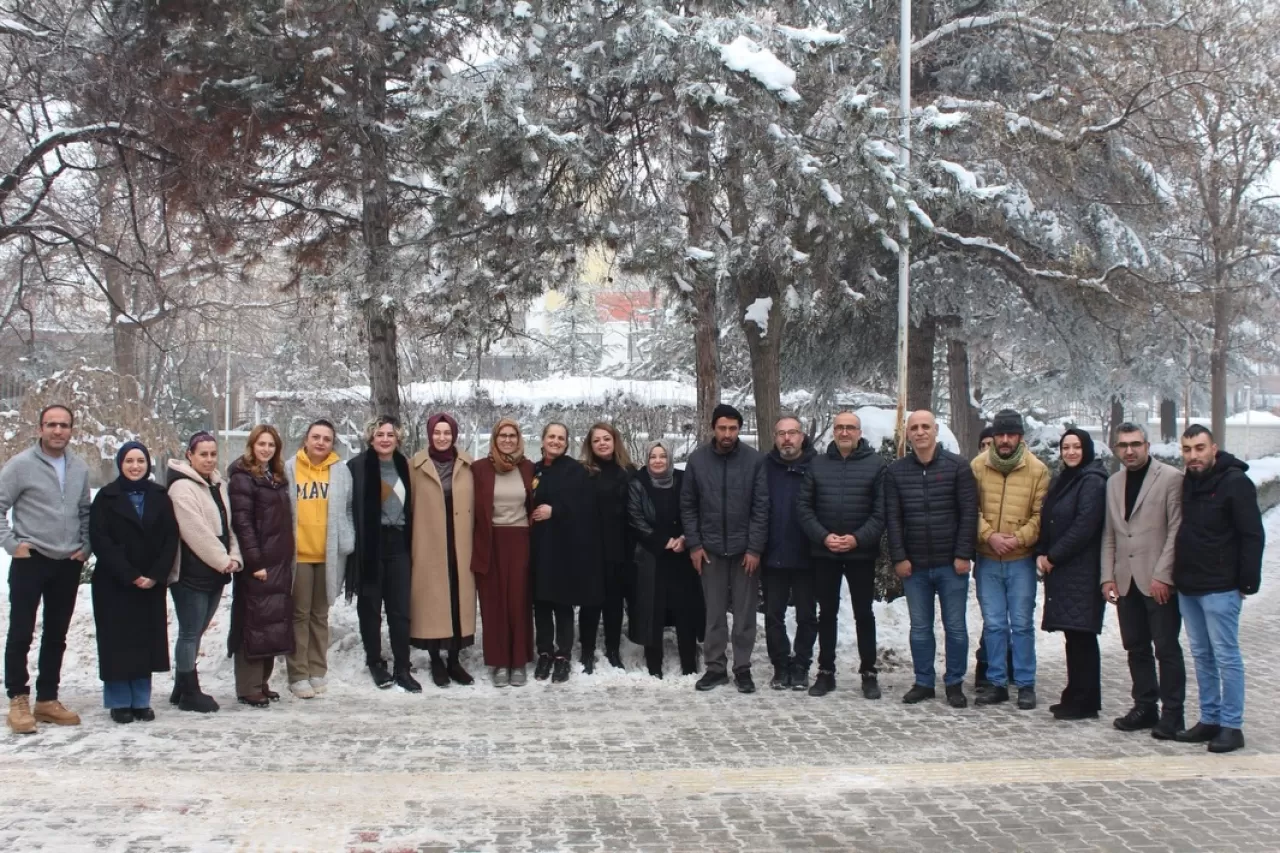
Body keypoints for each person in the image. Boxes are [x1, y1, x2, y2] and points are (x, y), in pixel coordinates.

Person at [1171, 426, 1264, 754]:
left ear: (1214, 449)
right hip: (1189, 586)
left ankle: (1232, 726)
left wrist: (1247, 582)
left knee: (1226, 656)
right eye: (1187, 450)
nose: (1193, 456)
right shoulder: (1189, 481)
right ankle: (1209, 718)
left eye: (1199, 448)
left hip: (1221, 587)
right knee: (1201, 655)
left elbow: (1252, 534)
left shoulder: (1236, 482)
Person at [2, 404, 90, 733]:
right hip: (31, 559)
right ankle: (18, 698)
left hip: (67, 562)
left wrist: (86, 547)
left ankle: (47, 699)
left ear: (71, 430)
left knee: (56, 634)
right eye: (51, 424)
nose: (58, 430)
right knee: (21, 632)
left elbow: (85, 510)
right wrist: (12, 544)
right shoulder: (21, 465)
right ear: (40, 428)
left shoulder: (79, 467)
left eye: (64, 425)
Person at [886, 410, 977, 708]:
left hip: (951, 565)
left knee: (956, 628)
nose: (920, 432)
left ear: (936, 430)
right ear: (907, 433)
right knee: (920, 629)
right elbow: (893, 519)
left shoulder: (958, 467)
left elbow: (968, 514)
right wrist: (899, 557)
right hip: (915, 567)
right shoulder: (896, 472)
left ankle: (954, 683)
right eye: (914, 427)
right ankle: (924, 682)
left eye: (926, 426)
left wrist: (963, 554)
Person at [1102, 422, 1186, 739]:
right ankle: (1145, 706)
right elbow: (1110, 534)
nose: (1129, 450)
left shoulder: (1170, 478)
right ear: (1116, 449)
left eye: (1135, 444)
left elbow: (1176, 530)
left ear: (1147, 446)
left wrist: (1164, 575)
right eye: (1123, 445)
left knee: (1166, 648)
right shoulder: (1114, 483)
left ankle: (1173, 714)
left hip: (1158, 581)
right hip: (1126, 580)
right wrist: (1107, 576)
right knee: (1136, 647)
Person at [796, 411, 886, 700]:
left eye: (850, 428)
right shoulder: (817, 465)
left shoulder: (876, 465)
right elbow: (804, 508)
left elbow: (881, 511)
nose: (844, 432)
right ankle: (826, 672)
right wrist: (824, 537)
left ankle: (869, 672)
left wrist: (857, 539)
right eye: (839, 427)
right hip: (825, 552)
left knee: (864, 614)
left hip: (861, 553)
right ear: (833, 432)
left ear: (859, 432)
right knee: (827, 614)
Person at [680, 403, 769, 693]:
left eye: (733, 428)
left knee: (745, 615)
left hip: (745, 551)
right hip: (710, 551)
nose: (727, 434)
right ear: (713, 429)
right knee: (714, 614)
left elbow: (761, 508)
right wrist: (695, 544)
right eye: (722, 428)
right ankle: (715, 667)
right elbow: (688, 506)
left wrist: (755, 549)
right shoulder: (698, 460)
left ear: (739, 429)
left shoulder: (755, 461)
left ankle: (742, 668)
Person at [89, 441, 178, 724]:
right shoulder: (106, 497)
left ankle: (141, 700)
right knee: (117, 642)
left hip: (150, 583)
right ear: (120, 464)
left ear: (148, 464)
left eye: (140, 460)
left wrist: (155, 574)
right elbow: (100, 540)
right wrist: (129, 574)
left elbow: (171, 538)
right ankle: (119, 701)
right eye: (129, 461)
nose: (135, 466)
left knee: (144, 642)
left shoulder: (160, 495)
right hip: (115, 582)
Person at [971, 409, 1049, 710]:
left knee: (1021, 624)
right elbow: (970, 509)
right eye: (1000, 434)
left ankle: (1025, 684)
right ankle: (996, 682)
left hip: (1021, 560)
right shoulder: (978, 466)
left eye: (1011, 434)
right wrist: (989, 535)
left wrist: (1017, 539)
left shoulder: (1037, 470)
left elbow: (1040, 515)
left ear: (1020, 437)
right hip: (988, 558)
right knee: (993, 624)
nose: (1005, 440)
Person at [168, 431, 242, 713]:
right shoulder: (181, 488)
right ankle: (189, 691)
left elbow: (228, 525)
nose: (209, 459)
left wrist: (234, 556)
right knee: (189, 632)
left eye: (213, 454)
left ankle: (181, 685)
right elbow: (195, 532)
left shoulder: (217, 485)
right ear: (190, 455)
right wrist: (223, 559)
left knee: (198, 630)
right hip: (190, 573)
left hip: (215, 572)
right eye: (203, 454)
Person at [1036, 428, 1107, 721]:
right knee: (1073, 636)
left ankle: (1085, 701)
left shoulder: (1092, 481)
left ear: (1086, 449)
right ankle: (1075, 694)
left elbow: (1084, 526)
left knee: (1082, 636)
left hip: (1082, 570)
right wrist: (1042, 551)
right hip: (1066, 571)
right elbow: (1050, 519)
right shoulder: (1066, 479)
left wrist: (1053, 555)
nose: (1071, 452)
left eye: (1076, 447)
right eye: (1066, 447)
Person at [284, 419, 355, 699]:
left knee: (320, 615)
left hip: (329, 555)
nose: (321, 442)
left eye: (326, 438)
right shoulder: (290, 468)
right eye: (316, 437)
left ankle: (317, 670)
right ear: (306, 439)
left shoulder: (341, 471)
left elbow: (348, 508)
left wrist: (347, 537)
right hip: (299, 555)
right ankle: (298, 674)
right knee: (299, 615)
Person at [346, 416, 418, 692]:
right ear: (370, 438)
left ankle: (402, 667)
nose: (385, 439)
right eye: (379, 434)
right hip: (370, 545)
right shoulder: (357, 467)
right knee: (370, 609)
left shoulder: (406, 467)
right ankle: (375, 662)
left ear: (398, 438)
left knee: (400, 610)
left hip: (399, 544)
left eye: (390, 434)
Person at [227, 425, 296, 707]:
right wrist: (255, 561)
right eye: (261, 444)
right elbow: (242, 524)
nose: (266, 449)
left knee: (270, 624)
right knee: (253, 623)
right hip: (258, 563)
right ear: (252, 445)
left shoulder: (275, 476)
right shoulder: (242, 477)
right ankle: (248, 686)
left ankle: (262, 682)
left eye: (271, 445)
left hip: (278, 561)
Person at [409, 413, 476, 687]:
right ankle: (436, 659)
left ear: (454, 435)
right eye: (437, 432)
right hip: (429, 543)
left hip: (461, 542)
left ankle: (454, 660)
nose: (442, 437)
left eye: (447, 432)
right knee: (434, 602)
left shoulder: (468, 466)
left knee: (457, 599)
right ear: (429, 434)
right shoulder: (415, 466)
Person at [530, 423, 600, 683]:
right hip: (538, 546)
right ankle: (544, 652)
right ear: (543, 439)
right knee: (541, 602)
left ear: (567, 442)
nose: (556, 441)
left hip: (564, 547)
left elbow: (585, 507)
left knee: (562, 603)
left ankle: (563, 655)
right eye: (551, 436)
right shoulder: (535, 469)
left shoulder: (575, 471)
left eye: (561, 438)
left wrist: (555, 510)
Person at [627, 440, 703, 678]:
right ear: (647, 459)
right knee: (653, 610)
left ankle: (689, 664)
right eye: (653, 456)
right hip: (652, 556)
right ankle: (654, 666)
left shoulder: (683, 480)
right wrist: (663, 541)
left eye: (662, 456)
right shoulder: (638, 483)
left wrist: (684, 538)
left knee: (685, 609)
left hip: (682, 555)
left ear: (669, 458)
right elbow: (635, 518)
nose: (658, 461)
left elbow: (695, 510)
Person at [471, 418, 535, 687]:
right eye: (502, 435)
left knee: (519, 601)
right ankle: (499, 662)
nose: (507, 440)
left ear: (519, 439)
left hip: (520, 540)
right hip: (490, 540)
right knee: (493, 603)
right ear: (494, 439)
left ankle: (518, 661)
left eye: (512, 435)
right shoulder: (479, 469)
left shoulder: (529, 468)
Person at [761, 415, 818, 691]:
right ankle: (781, 665)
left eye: (792, 433)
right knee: (774, 615)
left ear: (802, 436)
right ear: (775, 438)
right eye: (781, 433)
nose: (787, 438)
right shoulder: (764, 468)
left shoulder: (817, 466)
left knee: (807, 615)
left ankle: (801, 666)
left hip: (808, 555)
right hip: (773, 555)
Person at [579, 422, 636, 672]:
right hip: (591, 547)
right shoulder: (584, 472)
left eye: (606, 439)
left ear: (615, 441)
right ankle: (587, 650)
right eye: (596, 440)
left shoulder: (629, 471)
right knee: (590, 602)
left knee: (614, 602)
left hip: (620, 547)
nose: (602, 443)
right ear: (590, 446)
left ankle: (613, 650)